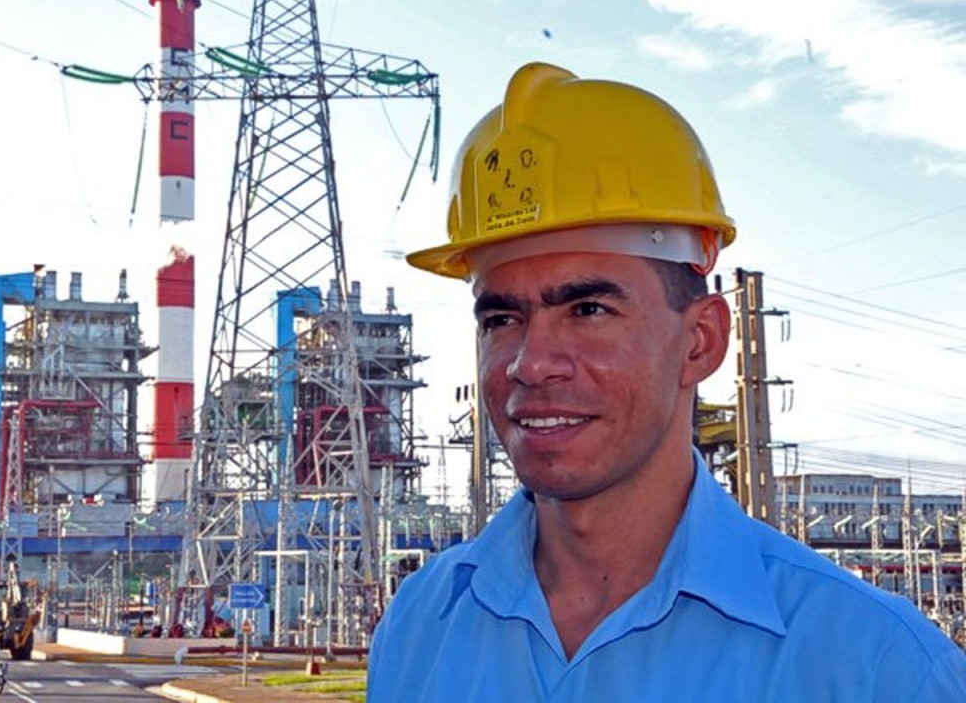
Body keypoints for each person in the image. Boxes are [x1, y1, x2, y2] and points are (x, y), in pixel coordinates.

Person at [367, 62, 966, 701]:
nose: (532, 362)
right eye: (503, 318)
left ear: (700, 341)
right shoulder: (418, 629)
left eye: (589, 310)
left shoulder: (874, 666)